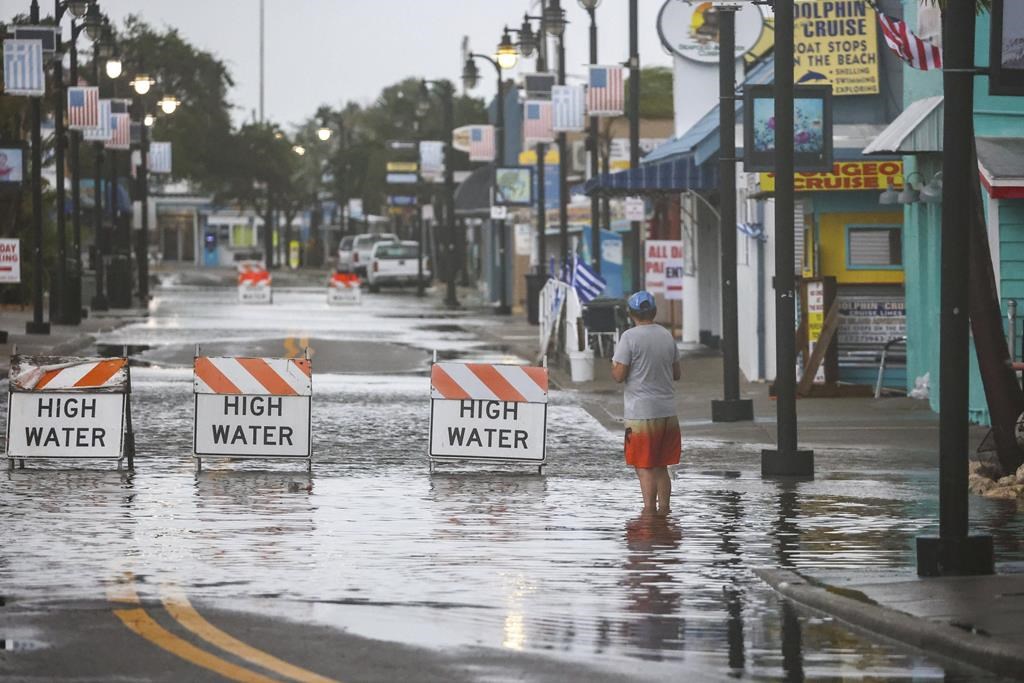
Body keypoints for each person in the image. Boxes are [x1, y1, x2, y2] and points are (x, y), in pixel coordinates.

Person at [611, 291, 681, 516]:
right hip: (667, 411)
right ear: (654, 311)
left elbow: (619, 375)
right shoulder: (666, 335)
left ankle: (649, 515)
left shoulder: (629, 338)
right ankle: (665, 512)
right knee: (662, 466)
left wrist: (614, 365)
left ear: (631, 313)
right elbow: (676, 373)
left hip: (641, 412)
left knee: (644, 467)